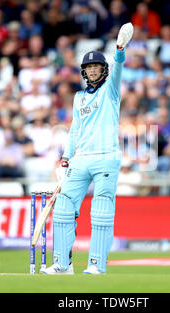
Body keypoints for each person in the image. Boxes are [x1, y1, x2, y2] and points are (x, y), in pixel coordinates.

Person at [40, 23, 134, 275]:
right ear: (84, 72)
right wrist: (65, 159)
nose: (93, 71)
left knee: (101, 211)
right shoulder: (78, 98)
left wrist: (120, 50)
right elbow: (74, 130)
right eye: (89, 68)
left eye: (97, 67)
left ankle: (96, 265)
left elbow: (119, 69)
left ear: (103, 70)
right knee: (62, 209)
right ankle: (62, 264)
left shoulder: (110, 91)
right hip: (80, 158)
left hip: (106, 158)